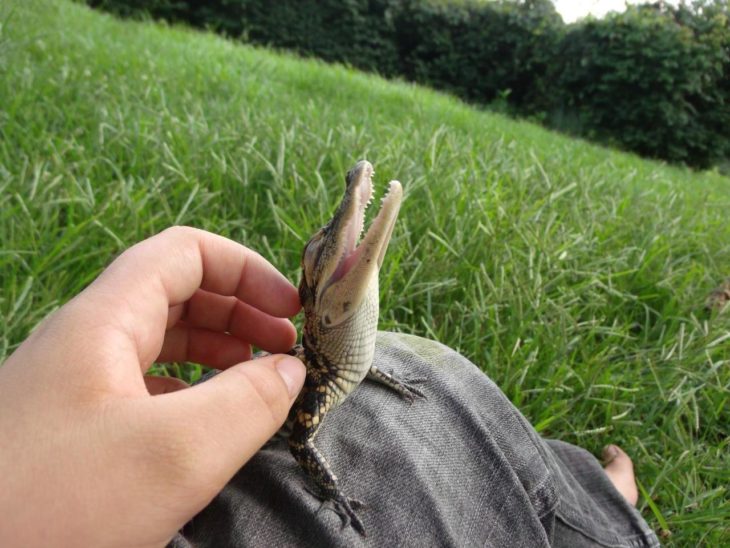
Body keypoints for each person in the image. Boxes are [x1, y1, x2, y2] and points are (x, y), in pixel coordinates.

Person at [0, 228, 659, 547]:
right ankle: (590, 510)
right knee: (428, 392)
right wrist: (335, 498)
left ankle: (574, 499)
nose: (341, 227)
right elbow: (305, 443)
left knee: (408, 375)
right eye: (323, 246)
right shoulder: (297, 379)